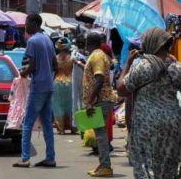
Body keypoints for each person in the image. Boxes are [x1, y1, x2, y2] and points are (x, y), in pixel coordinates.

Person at [117, 27, 181, 179]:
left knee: (146, 164)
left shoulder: (143, 66)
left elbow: (121, 90)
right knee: (168, 164)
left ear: (151, 44)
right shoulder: (176, 67)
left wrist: (128, 63)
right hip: (172, 123)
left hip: (147, 123)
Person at [13, 13, 57, 169]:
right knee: (46, 123)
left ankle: (25, 158)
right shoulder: (48, 40)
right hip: (49, 85)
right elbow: (55, 66)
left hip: (38, 86)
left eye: (27, 23)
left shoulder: (32, 41)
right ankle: (50, 158)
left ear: (34, 23)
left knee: (27, 123)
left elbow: (31, 66)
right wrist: (49, 78)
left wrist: (23, 73)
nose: (25, 26)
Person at [82, 32, 115, 177]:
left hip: (100, 100)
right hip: (100, 99)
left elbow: (99, 79)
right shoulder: (100, 55)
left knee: (101, 135)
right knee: (99, 134)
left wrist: (90, 102)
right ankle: (103, 164)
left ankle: (106, 166)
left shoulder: (96, 56)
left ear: (88, 43)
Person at [52, 39, 75, 134]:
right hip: (70, 83)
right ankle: (71, 126)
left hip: (57, 83)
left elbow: (53, 71)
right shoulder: (72, 58)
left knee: (58, 105)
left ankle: (61, 128)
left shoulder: (55, 58)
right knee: (70, 106)